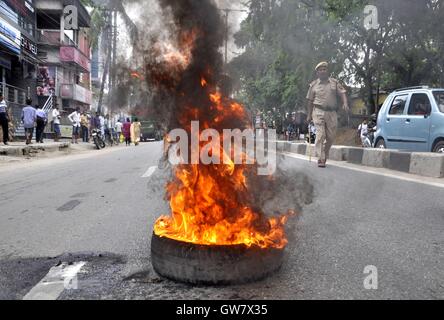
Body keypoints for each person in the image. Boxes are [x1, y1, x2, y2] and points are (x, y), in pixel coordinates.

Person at [306, 61, 349, 168]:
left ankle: (324, 153)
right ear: (317, 73)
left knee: (331, 137)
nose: (323, 71)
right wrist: (309, 115)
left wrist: (345, 103)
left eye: (324, 69)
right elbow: (310, 101)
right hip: (318, 111)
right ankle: (321, 158)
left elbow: (342, 92)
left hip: (332, 113)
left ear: (327, 71)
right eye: (320, 70)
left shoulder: (334, 82)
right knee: (321, 135)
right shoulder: (313, 85)